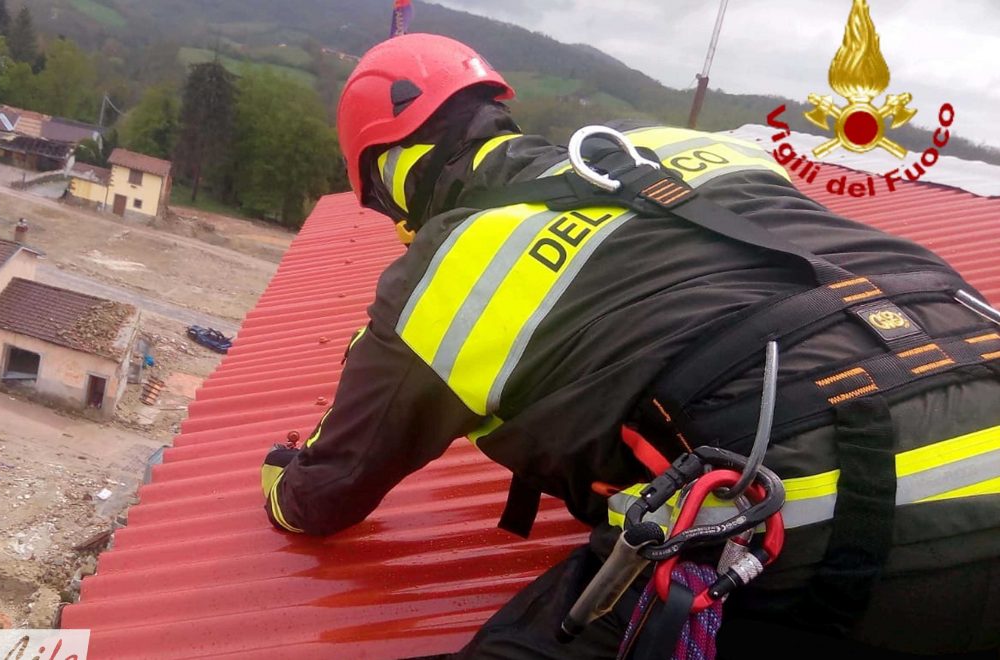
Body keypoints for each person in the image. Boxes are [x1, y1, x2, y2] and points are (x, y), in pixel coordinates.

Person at [260, 33, 1000, 658]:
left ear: (387, 178)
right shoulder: (670, 145)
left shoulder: (446, 269)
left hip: (827, 496)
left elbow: (323, 495)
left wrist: (279, 478)